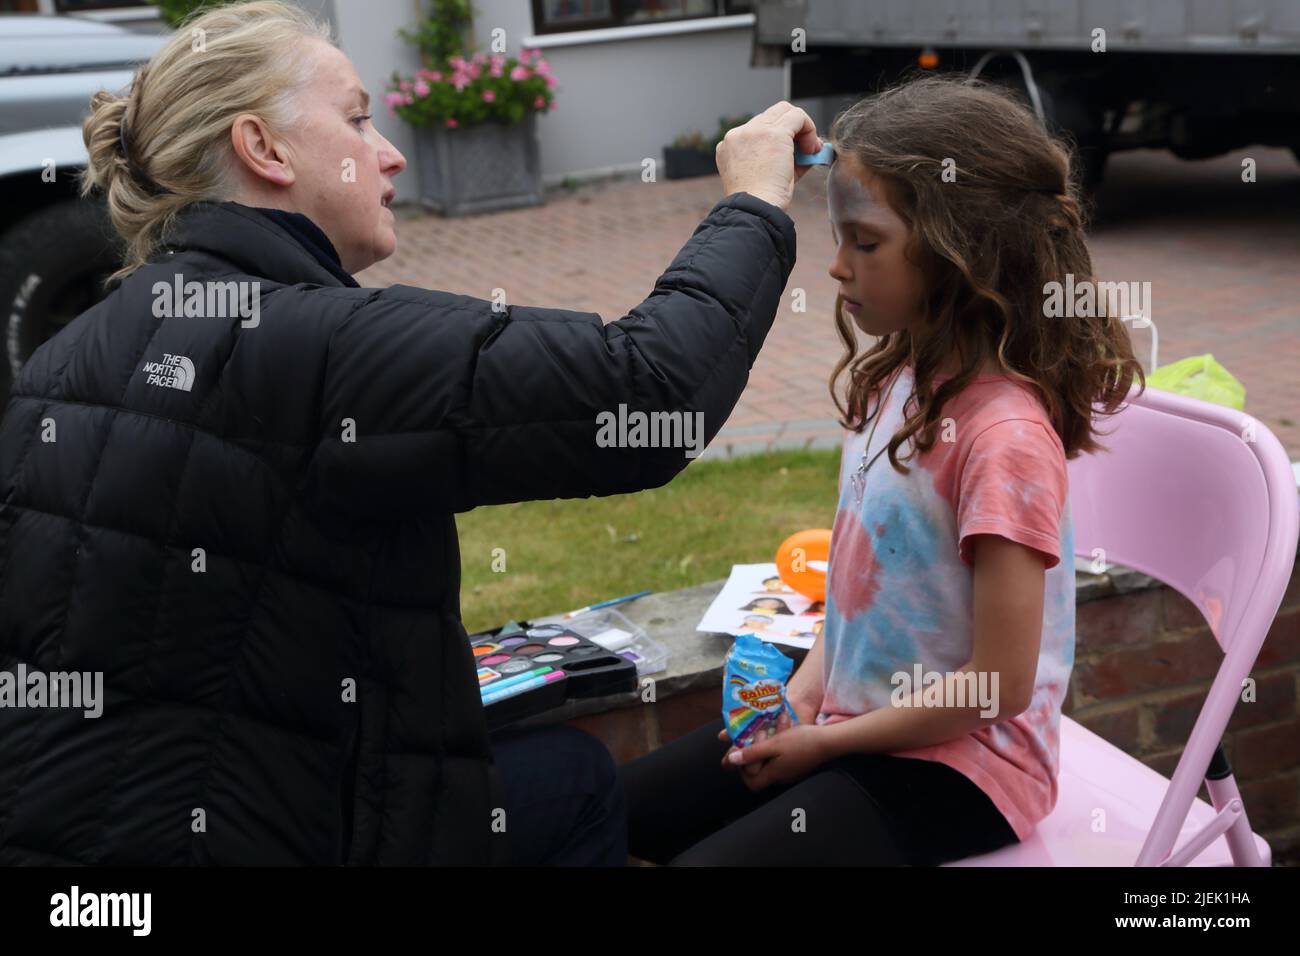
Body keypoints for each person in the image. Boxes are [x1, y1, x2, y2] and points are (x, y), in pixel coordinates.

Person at [0, 1, 825, 865]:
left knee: (561, 777)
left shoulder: (61, 364)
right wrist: (757, 200)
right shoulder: (316, 345)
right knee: (574, 783)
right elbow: (649, 393)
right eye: (357, 118)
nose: (388, 152)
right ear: (264, 148)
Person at [620, 72, 1146, 866]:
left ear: (961, 251)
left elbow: (997, 688)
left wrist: (828, 747)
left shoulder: (1004, 437)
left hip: (969, 767)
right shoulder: (900, 381)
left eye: (864, 242)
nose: (837, 267)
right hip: (854, 724)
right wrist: (799, 700)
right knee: (619, 814)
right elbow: (864, 587)